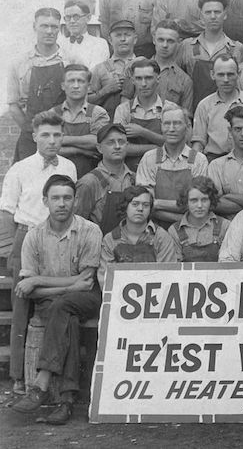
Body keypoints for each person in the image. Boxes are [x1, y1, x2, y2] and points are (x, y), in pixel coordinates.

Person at [9, 175, 102, 424]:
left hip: (87, 298)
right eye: (55, 198)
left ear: (75, 200)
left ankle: (41, 383)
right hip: (54, 303)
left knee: (64, 306)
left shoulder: (89, 230)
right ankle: (66, 401)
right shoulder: (34, 236)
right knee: (66, 315)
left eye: (67, 198)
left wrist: (39, 280)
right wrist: (63, 285)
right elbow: (28, 292)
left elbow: (86, 283)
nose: (61, 203)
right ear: (45, 201)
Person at [0, 111, 76, 394]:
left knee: (55, 302)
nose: (52, 140)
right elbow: (7, 212)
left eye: (57, 135)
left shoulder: (68, 166)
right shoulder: (20, 168)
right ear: (34, 136)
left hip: (57, 239)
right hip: (26, 237)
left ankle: (52, 378)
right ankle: (19, 376)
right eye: (45, 135)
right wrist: (11, 251)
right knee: (22, 306)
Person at [10, 8, 68, 161]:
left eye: (54, 26)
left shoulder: (70, 60)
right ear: (34, 26)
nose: (49, 31)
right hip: (31, 136)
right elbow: (13, 106)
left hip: (62, 135)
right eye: (44, 26)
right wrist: (32, 131)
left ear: (59, 29)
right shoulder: (20, 63)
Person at [137, 105, 209, 227]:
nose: (171, 129)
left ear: (187, 127)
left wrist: (158, 203)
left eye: (177, 123)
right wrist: (181, 216)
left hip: (191, 228)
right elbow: (145, 204)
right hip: (155, 228)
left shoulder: (199, 160)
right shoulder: (149, 158)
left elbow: (198, 205)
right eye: (167, 124)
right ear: (161, 127)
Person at [97, 186, 181, 287]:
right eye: (135, 204)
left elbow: (168, 275)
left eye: (146, 205)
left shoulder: (161, 237)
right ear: (125, 207)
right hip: (118, 297)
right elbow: (105, 279)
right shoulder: (110, 239)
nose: (140, 209)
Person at [180, 0, 243, 114]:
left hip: (228, 114)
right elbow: (179, 81)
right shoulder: (187, 46)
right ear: (201, 16)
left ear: (225, 15)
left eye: (217, 12)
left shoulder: (237, 49)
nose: (213, 16)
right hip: (194, 112)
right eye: (208, 12)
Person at [193, 55, 243, 161]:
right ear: (212, 75)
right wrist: (192, 166)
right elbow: (198, 143)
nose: (226, 80)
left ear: (238, 74)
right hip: (213, 161)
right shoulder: (204, 105)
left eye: (230, 74)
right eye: (221, 75)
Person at [113, 58, 177, 171]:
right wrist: (155, 147)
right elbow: (120, 147)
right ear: (132, 80)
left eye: (148, 78)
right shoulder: (124, 110)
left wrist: (143, 132)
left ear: (158, 79)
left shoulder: (170, 109)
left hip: (164, 170)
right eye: (138, 78)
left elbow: (175, 144)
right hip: (131, 171)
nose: (143, 84)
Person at [206, 105, 243, 219]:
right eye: (238, 129)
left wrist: (228, 196)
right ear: (230, 131)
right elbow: (213, 203)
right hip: (226, 230)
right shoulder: (216, 165)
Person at [74, 123, 135, 234]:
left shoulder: (135, 179)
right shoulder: (89, 183)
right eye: (110, 142)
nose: (117, 146)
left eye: (121, 142)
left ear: (127, 145)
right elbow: (77, 224)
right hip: (99, 247)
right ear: (99, 148)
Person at [52, 64, 110, 177]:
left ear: (88, 86)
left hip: (91, 175)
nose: (76, 86)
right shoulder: (53, 114)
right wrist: (80, 151)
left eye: (81, 81)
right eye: (71, 81)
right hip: (58, 176)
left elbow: (98, 143)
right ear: (63, 86)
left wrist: (62, 139)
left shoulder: (98, 113)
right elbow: (50, 148)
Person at [168, 176, 231, 263]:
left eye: (204, 200)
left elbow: (228, 263)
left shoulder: (225, 225)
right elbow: (175, 267)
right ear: (186, 202)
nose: (199, 205)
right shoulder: (174, 230)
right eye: (194, 200)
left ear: (211, 200)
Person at [89, 19, 137, 117]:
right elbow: (87, 102)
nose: (123, 39)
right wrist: (105, 90)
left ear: (135, 39)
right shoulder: (99, 69)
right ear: (110, 40)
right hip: (108, 124)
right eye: (118, 35)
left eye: (127, 35)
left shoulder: (145, 65)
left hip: (138, 123)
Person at [150, 19, 194, 108]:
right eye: (161, 40)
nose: (165, 45)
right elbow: (125, 108)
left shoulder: (185, 81)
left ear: (179, 42)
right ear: (154, 40)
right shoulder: (137, 69)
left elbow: (186, 117)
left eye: (170, 41)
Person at [59, 0, 109, 69]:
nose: (72, 21)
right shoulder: (60, 44)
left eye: (76, 17)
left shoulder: (99, 44)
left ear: (88, 18)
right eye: (68, 17)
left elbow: (94, 72)